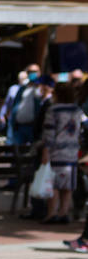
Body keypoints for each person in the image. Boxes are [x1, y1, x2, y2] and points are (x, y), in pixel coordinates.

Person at [37, 82, 82, 226]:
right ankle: (64, 212)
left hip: (57, 151)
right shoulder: (77, 110)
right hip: (72, 151)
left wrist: (45, 151)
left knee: (54, 183)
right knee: (68, 185)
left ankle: (52, 213)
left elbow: (49, 134)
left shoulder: (53, 110)